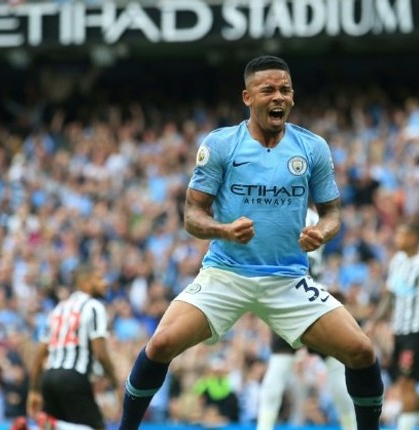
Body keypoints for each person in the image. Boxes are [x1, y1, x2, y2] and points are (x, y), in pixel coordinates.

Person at [118, 55, 384, 430]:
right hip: (226, 274)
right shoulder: (222, 144)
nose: (279, 97)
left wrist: (322, 232)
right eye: (269, 90)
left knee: (361, 351)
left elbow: (333, 213)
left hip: (287, 279)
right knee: (160, 344)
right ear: (247, 97)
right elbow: (192, 215)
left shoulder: (312, 148)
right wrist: (223, 230)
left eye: (286, 90)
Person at [256, 206, 357, 430]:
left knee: (279, 366)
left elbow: (297, 263)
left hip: (290, 298)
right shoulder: (316, 217)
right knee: (334, 365)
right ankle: (350, 426)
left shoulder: (291, 214)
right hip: (312, 298)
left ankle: (264, 426)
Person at [365, 222, 419, 430]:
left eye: (402, 234)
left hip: (418, 331)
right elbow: (389, 296)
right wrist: (374, 322)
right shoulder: (397, 261)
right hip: (399, 331)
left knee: (406, 383)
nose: (397, 239)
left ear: (414, 238)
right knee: (406, 384)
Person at [27, 264, 119, 430]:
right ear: (85, 283)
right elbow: (101, 353)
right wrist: (116, 383)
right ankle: (54, 426)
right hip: (73, 378)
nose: (105, 283)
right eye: (99, 278)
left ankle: (50, 426)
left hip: (48, 379)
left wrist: (34, 390)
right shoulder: (94, 307)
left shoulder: (58, 309)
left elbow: (39, 355)